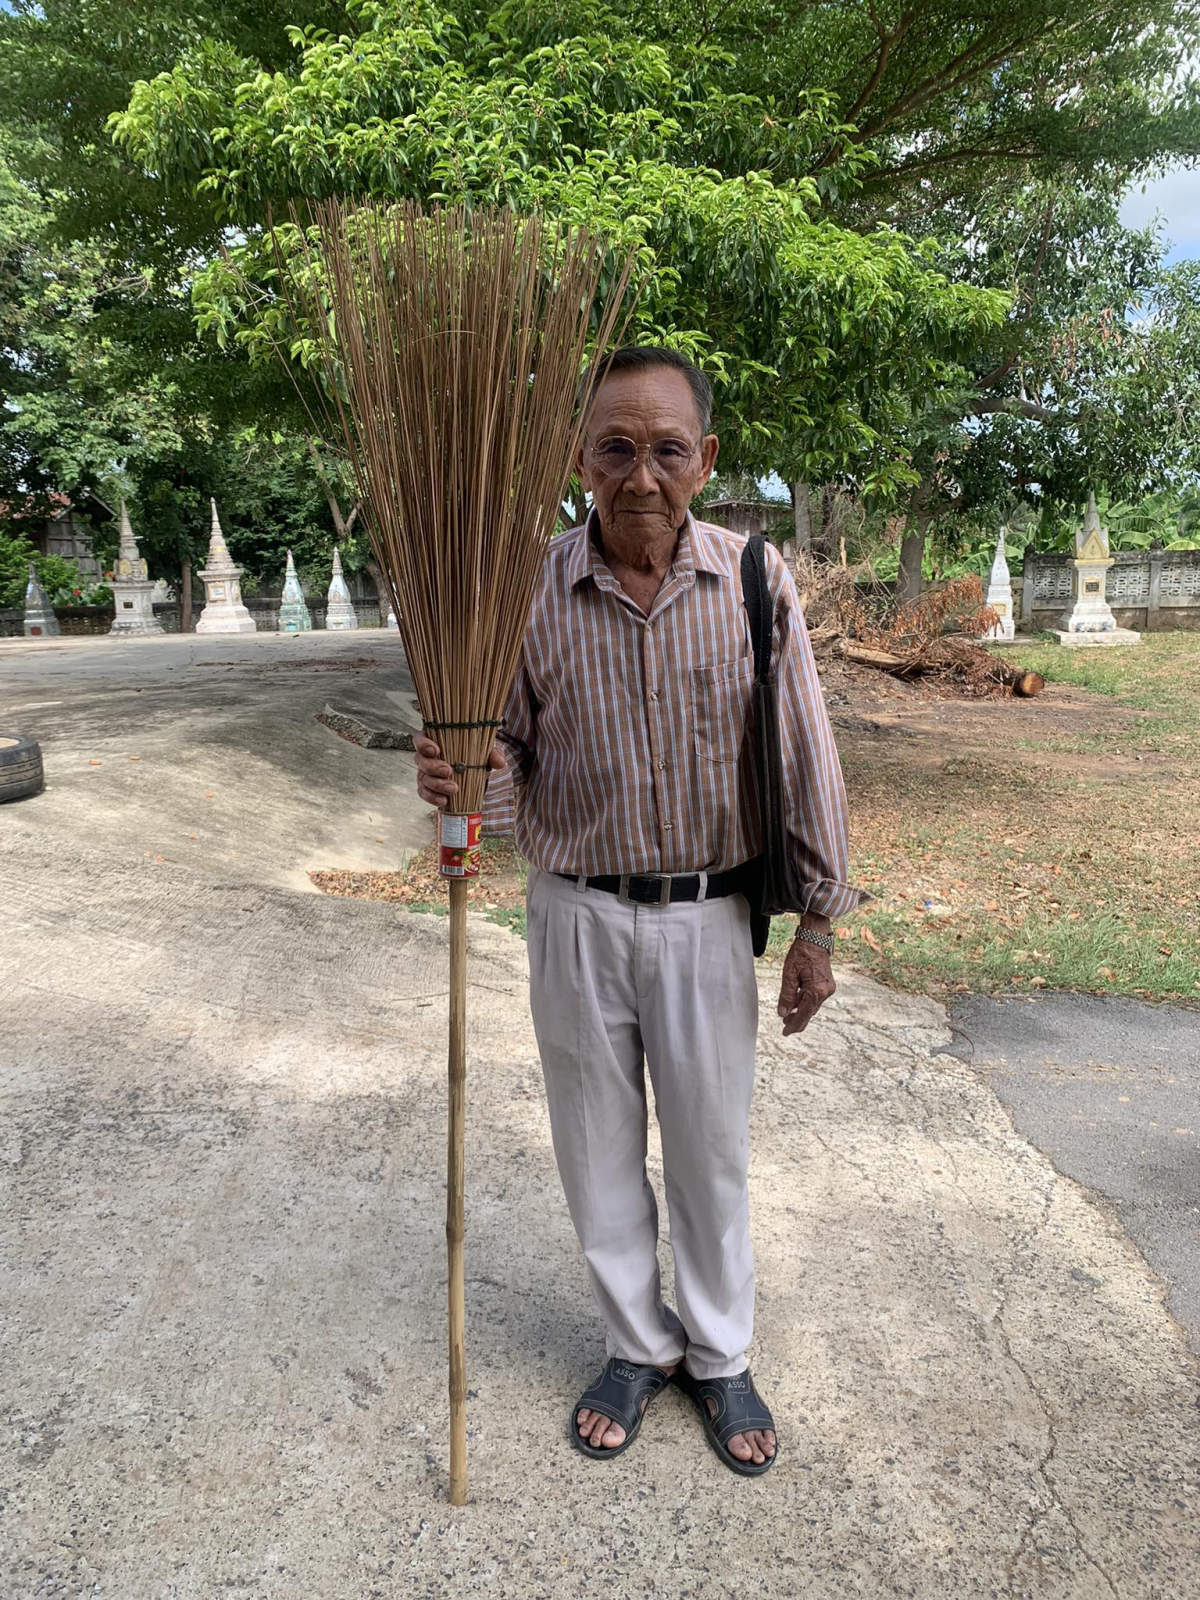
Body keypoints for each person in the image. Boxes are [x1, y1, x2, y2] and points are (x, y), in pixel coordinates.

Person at [414, 346, 867, 1476]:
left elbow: (806, 756)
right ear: (582, 460)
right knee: (595, 1145)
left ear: (705, 461)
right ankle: (636, 1341)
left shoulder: (757, 583)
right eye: (616, 447)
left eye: (667, 448)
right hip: (573, 911)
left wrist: (817, 921)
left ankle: (718, 1352)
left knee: (710, 1151)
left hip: (709, 919)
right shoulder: (527, 590)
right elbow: (507, 755)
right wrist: (465, 783)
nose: (641, 474)